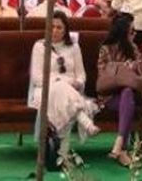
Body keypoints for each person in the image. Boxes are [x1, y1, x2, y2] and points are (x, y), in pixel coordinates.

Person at [28, 11, 99, 158]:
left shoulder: (74, 47)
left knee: (63, 95)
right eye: (52, 27)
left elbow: (81, 75)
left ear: (66, 29)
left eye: (59, 27)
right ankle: (84, 121)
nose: (55, 30)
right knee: (59, 88)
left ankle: (62, 153)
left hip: (71, 92)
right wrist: (62, 81)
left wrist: (77, 83)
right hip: (44, 90)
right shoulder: (40, 46)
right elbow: (36, 77)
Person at [97, 14, 142, 167]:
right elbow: (103, 74)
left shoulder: (134, 49)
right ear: (124, 32)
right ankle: (122, 149)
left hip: (130, 95)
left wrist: (132, 68)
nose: (135, 34)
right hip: (109, 96)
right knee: (126, 98)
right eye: (132, 31)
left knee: (128, 93)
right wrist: (123, 69)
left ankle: (120, 142)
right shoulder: (105, 49)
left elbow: (140, 77)